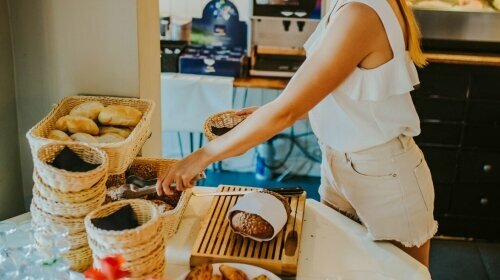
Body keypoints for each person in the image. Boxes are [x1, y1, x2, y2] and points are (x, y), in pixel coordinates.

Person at [156, 0, 437, 267]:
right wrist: (270, 111)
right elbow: (330, 92)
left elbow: (285, 113)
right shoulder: (346, 5)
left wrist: (203, 155)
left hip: (386, 180)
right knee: (336, 269)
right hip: (339, 168)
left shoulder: (361, 12)